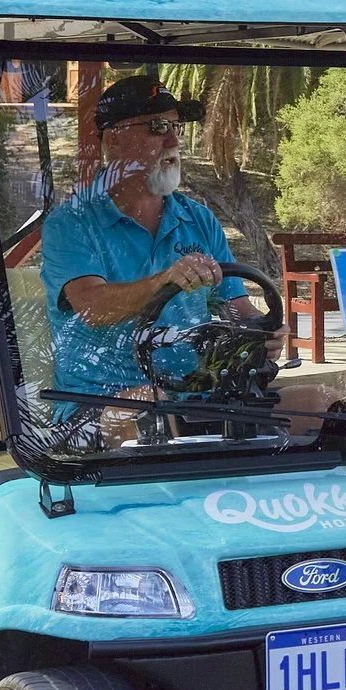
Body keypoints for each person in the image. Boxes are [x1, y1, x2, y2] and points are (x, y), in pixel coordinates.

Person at [40, 75, 272, 435]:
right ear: (113, 139)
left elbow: (235, 308)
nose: (174, 141)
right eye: (158, 127)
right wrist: (164, 281)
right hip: (99, 408)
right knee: (154, 414)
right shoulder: (71, 223)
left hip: (193, 397)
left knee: (317, 405)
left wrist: (263, 331)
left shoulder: (198, 219)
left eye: (176, 126)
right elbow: (92, 307)